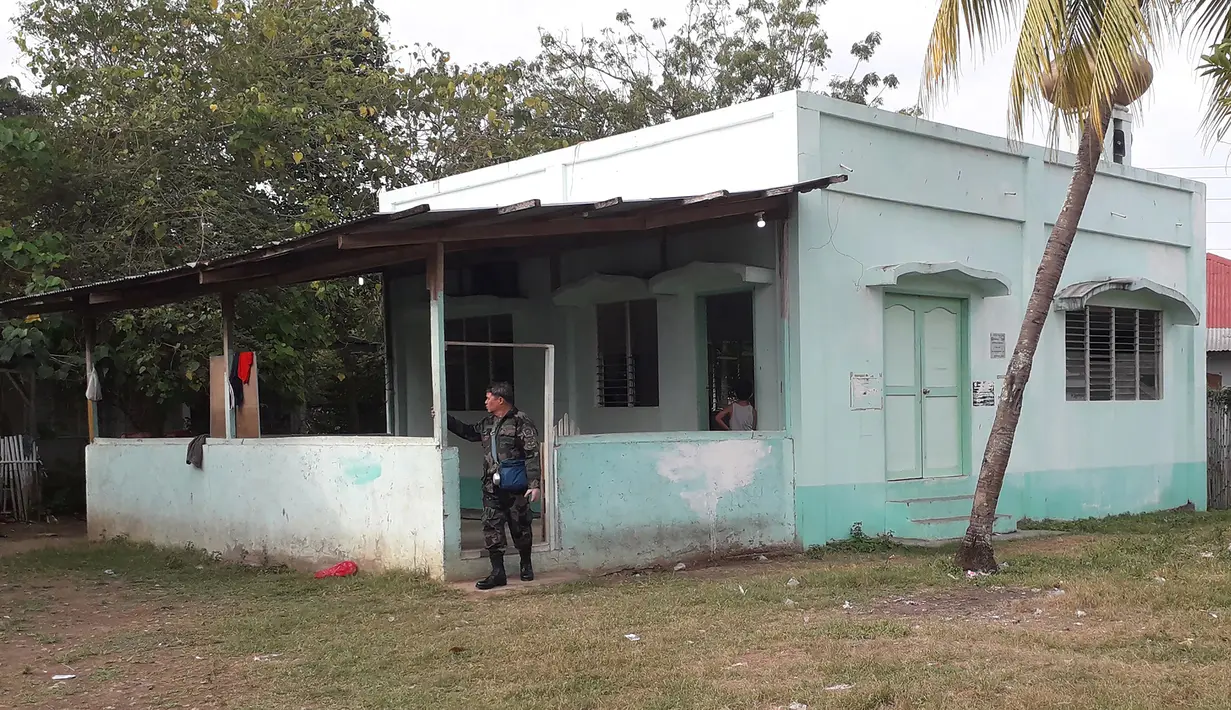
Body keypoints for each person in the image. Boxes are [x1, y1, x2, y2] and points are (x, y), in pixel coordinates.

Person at [444, 382, 541, 590]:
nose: (485, 402)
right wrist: (445, 419)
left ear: (500, 400)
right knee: (491, 527)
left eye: (489, 398)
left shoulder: (521, 422)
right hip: (491, 485)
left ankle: (526, 564)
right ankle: (498, 572)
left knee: (520, 526)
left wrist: (534, 484)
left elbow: (532, 454)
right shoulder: (488, 423)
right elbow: (469, 433)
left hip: (515, 484)